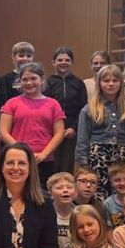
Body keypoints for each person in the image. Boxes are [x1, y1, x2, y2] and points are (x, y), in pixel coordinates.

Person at [75, 64, 125, 198]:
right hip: (97, 156)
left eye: (115, 81)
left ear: (121, 83)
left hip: (123, 157)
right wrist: (83, 164)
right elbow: (82, 139)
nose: (110, 84)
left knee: (123, 192)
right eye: (106, 81)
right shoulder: (89, 109)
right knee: (99, 194)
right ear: (99, 83)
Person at [0, 62, 66, 189]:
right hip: (17, 161)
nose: (29, 83)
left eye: (33, 78)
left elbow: (59, 133)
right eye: (25, 79)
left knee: (42, 198)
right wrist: (22, 152)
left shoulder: (53, 104)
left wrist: (43, 154)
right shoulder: (11, 103)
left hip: (45, 161)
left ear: (41, 80)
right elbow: (3, 132)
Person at [45, 46, 87, 175]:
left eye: (67, 60)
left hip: (71, 131)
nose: (63, 62)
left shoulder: (79, 83)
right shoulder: (47, 83)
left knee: (67, 167)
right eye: (60, 59)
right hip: (51, 131)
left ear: (72, 62)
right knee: (51, 165)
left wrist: (74, 128)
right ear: (54, 62)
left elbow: (83, 108)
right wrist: (53, 129)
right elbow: (44, 107)